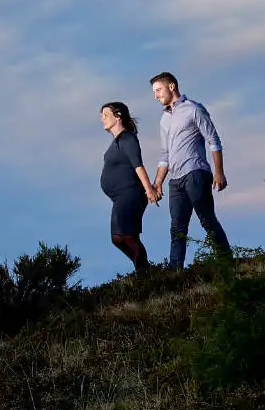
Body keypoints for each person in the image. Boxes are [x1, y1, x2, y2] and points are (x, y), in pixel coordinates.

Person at [147, 72, 232, 268]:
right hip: (175, 181)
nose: (156, 96)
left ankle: (227, 262)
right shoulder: (164, 120)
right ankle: (174, 274)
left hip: (196, 173)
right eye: (154, 92)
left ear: (172, 86)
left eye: (158, 90)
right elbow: (164, 155)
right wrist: (157, 183)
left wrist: (219, 172)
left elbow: (214, 140)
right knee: (177, 228)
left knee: (207, 220)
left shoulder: (194, 109)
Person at [99, 101, 153, 272]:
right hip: (119, 197)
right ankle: (143, 269)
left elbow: (138, 165)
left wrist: (149, 189)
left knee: (126, 236)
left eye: (106, 115)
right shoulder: (117, 141)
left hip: (130, 194)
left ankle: (144, 272)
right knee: (118, 238)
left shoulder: (127, 138)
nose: (102, 119)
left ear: (118, 116)